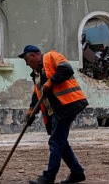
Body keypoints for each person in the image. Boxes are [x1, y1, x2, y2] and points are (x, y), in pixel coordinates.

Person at [19, 44, 88, 184]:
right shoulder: (37, 75)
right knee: (61, 142)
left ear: (33, 55)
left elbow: (66, 69)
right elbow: (37, 94)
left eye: (27, 60)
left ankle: (48, 178)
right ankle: (77, 173)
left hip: (68, 104)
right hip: (56, 110)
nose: (27, 64)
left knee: (56, 141)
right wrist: (32, 110)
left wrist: (52, 81)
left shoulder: (52, 56)